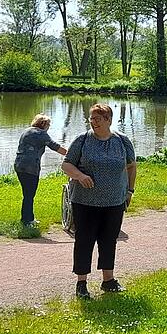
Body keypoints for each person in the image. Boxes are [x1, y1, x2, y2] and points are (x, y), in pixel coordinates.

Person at [62, 103, 137, 298]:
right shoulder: (82, 140)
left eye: (98, 119)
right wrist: (79, 175)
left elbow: (131, 166)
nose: (93, 122)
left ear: (108, 120)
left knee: (108, 241)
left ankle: (108, 280)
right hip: (85, 202)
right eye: (91, 118)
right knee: (84, 241)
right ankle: (81, 284)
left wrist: (129, 191)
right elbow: (66, 164)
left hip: (114, 202)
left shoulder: (122, 141)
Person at [14, 114, 67, 227]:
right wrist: (72, 155)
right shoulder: (42, 134)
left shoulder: (27, 131)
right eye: (48, 124)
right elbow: (56, 147)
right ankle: (27, 221)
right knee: (29, 195)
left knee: (27, 194)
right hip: (31, 167)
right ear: (43, 124)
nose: (49, 127)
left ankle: (28, 218)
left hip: (19, 165)